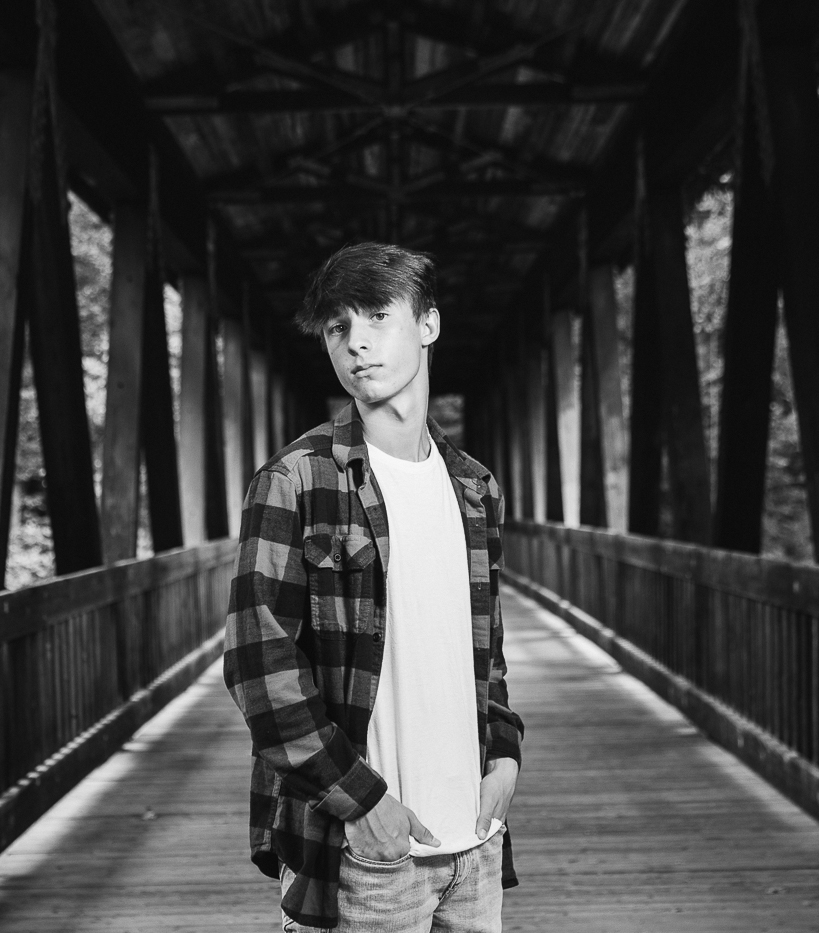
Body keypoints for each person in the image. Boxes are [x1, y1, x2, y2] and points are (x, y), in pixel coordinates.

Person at [223, 242, 524, 932]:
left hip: (475, 848)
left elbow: (488, 649)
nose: (357, 341)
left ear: (428, 324)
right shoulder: (297, 480)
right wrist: (359, 802)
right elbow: (258, 664)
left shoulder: (474, 488)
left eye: (378, 315)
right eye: (337, 326)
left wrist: (505, 750)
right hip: (361, 852)